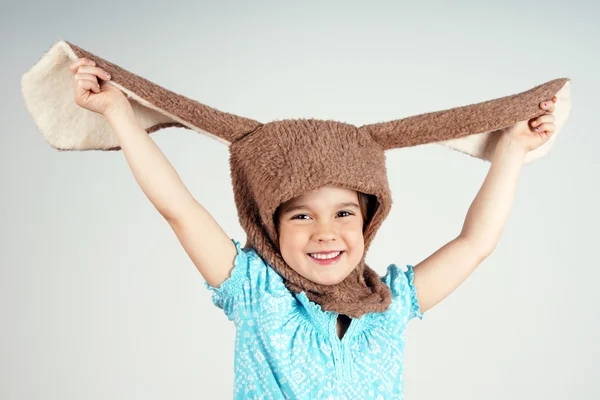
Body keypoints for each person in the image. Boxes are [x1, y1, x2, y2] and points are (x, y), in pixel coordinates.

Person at [69, 57, 558, 399]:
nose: (325, 232)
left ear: (369, 220)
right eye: (301, 215)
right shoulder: (256, 293)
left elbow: (475, 243)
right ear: (269, 226)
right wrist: (118, 112)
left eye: (343, 212)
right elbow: (179, 208)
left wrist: (512, 150)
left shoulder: (390, 305)